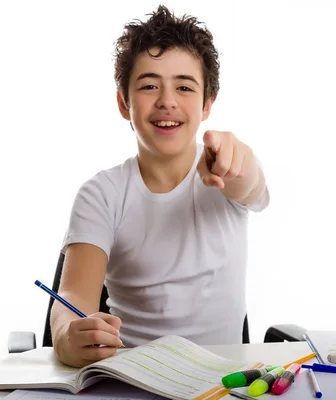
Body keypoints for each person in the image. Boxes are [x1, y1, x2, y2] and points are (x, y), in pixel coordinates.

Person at [51, 5, 270, 367]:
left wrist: (237, 166)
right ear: (124, 103)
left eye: (184, 87)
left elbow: (249, 186)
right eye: (150, 85)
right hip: (134, 378)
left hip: (221, 381)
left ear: (206, 105)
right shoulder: (101, 194)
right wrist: (67, 335)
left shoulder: (228, 165)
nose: (167, 100)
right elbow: (72, 299)